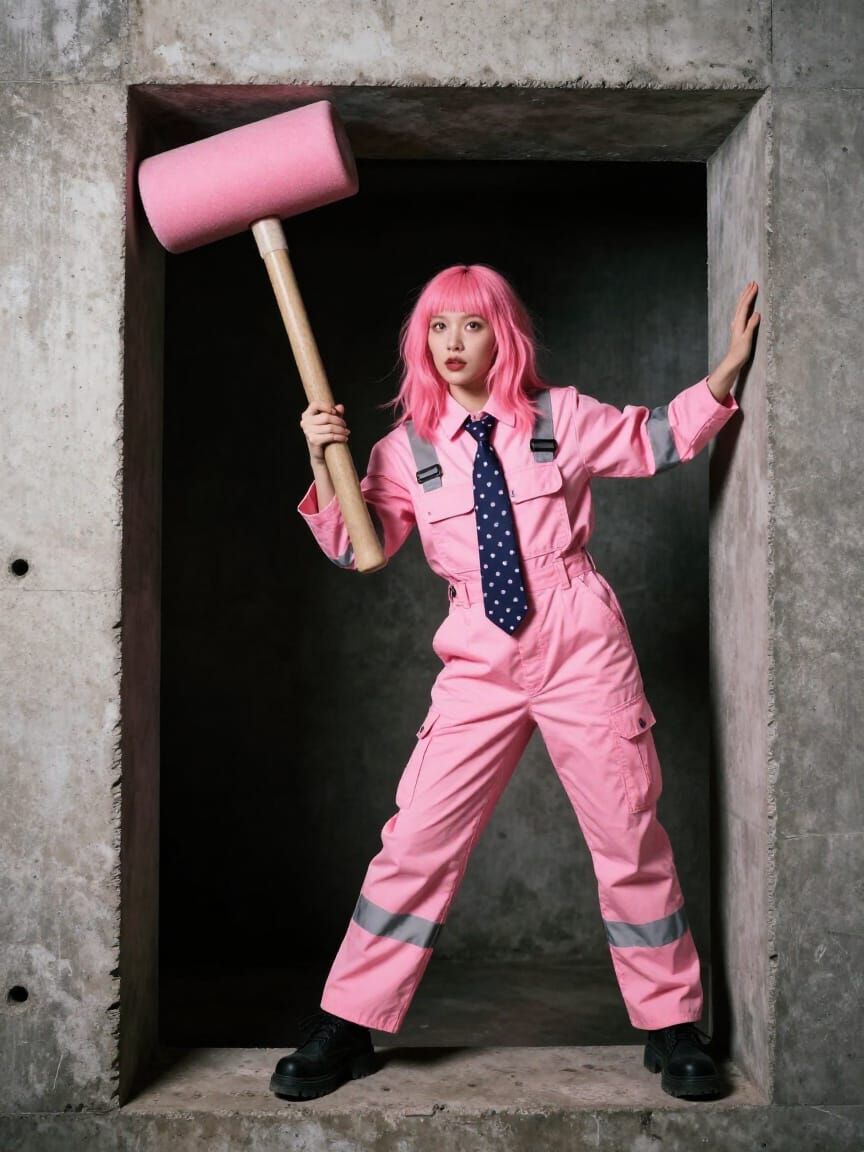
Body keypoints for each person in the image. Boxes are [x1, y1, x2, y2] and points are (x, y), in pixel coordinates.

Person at [270, 264, 759, 1103]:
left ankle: (673, 1024)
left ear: (502, 335)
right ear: (420, 343)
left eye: (470, 326)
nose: (452, 343)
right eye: (436, 329)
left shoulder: (559, 416)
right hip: (477, 660)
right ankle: (346, 1025)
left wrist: (724, 375)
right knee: (416, 843)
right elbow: (364, 548)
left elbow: (654, 440)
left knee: (628, 834)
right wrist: (324, 461)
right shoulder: (404, 449)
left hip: (580, 643)